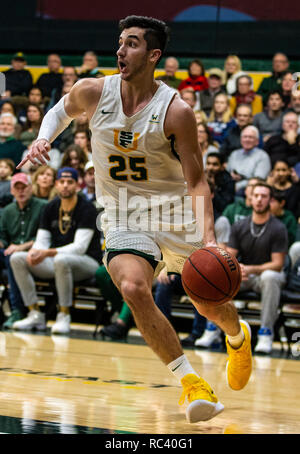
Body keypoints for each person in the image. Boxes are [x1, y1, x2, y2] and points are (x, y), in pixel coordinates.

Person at [18, 16, 252, 423]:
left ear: (153, 55)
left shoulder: (175, 111)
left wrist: (210, 239)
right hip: (123, 212)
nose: (121, 51)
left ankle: (237, 335)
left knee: (208, 300)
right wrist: (43, 137)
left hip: (175, 211)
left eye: (132, 44)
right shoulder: (93, 90)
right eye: (120, 43)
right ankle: (191, 383)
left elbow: (197, 183)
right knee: (131, 285)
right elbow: (59, 111)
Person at [10, 167, 101, 334]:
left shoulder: (87, 208)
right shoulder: (51, 207)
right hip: (58, 261)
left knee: (61, 260)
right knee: (17, 258)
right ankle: (35, 313)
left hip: (87, 263)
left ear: (77, 185)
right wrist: (35, 252)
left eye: (70, 182)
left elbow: (79, 248)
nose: (65, 186)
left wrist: (46, 253)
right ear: (56, 185)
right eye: (62, 182)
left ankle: (64, 315)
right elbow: (42, 240)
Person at [227, 182, 288, 354]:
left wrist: (250, 269)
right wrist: (236, 268)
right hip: (246, 276)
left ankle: (265, 333)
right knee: (223, 276)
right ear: (250, 199)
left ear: (270, 200)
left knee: (270, 276)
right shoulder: (239, 226)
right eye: (256, 196)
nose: (260, 200)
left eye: (264, 196)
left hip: (267, 276)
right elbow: (229, 257)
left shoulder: (278, 227)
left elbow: (278, 264)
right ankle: (217, 330)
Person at [0, 173, 47, 329]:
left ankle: (17, 310)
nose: (20, 191)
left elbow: (47, 237)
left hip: (34, 252)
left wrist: (22, 246)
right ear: (12, 191)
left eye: (24, 187)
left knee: (13, 257)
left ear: (31, 188)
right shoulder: (7, 211)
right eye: (17, 188)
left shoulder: (43, 206)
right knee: (9, 255)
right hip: (10, 251)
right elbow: (3, 237)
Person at [226, 125, 271, 194]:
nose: (247, 139)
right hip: (230, 185)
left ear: (257, 141)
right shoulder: (234, 154)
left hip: (250, 190)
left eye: (250, 137)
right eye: (245, 137)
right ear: (241, 140)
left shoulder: (263, 156)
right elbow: (227, 172)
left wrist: (237, 185)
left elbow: (258, 180)